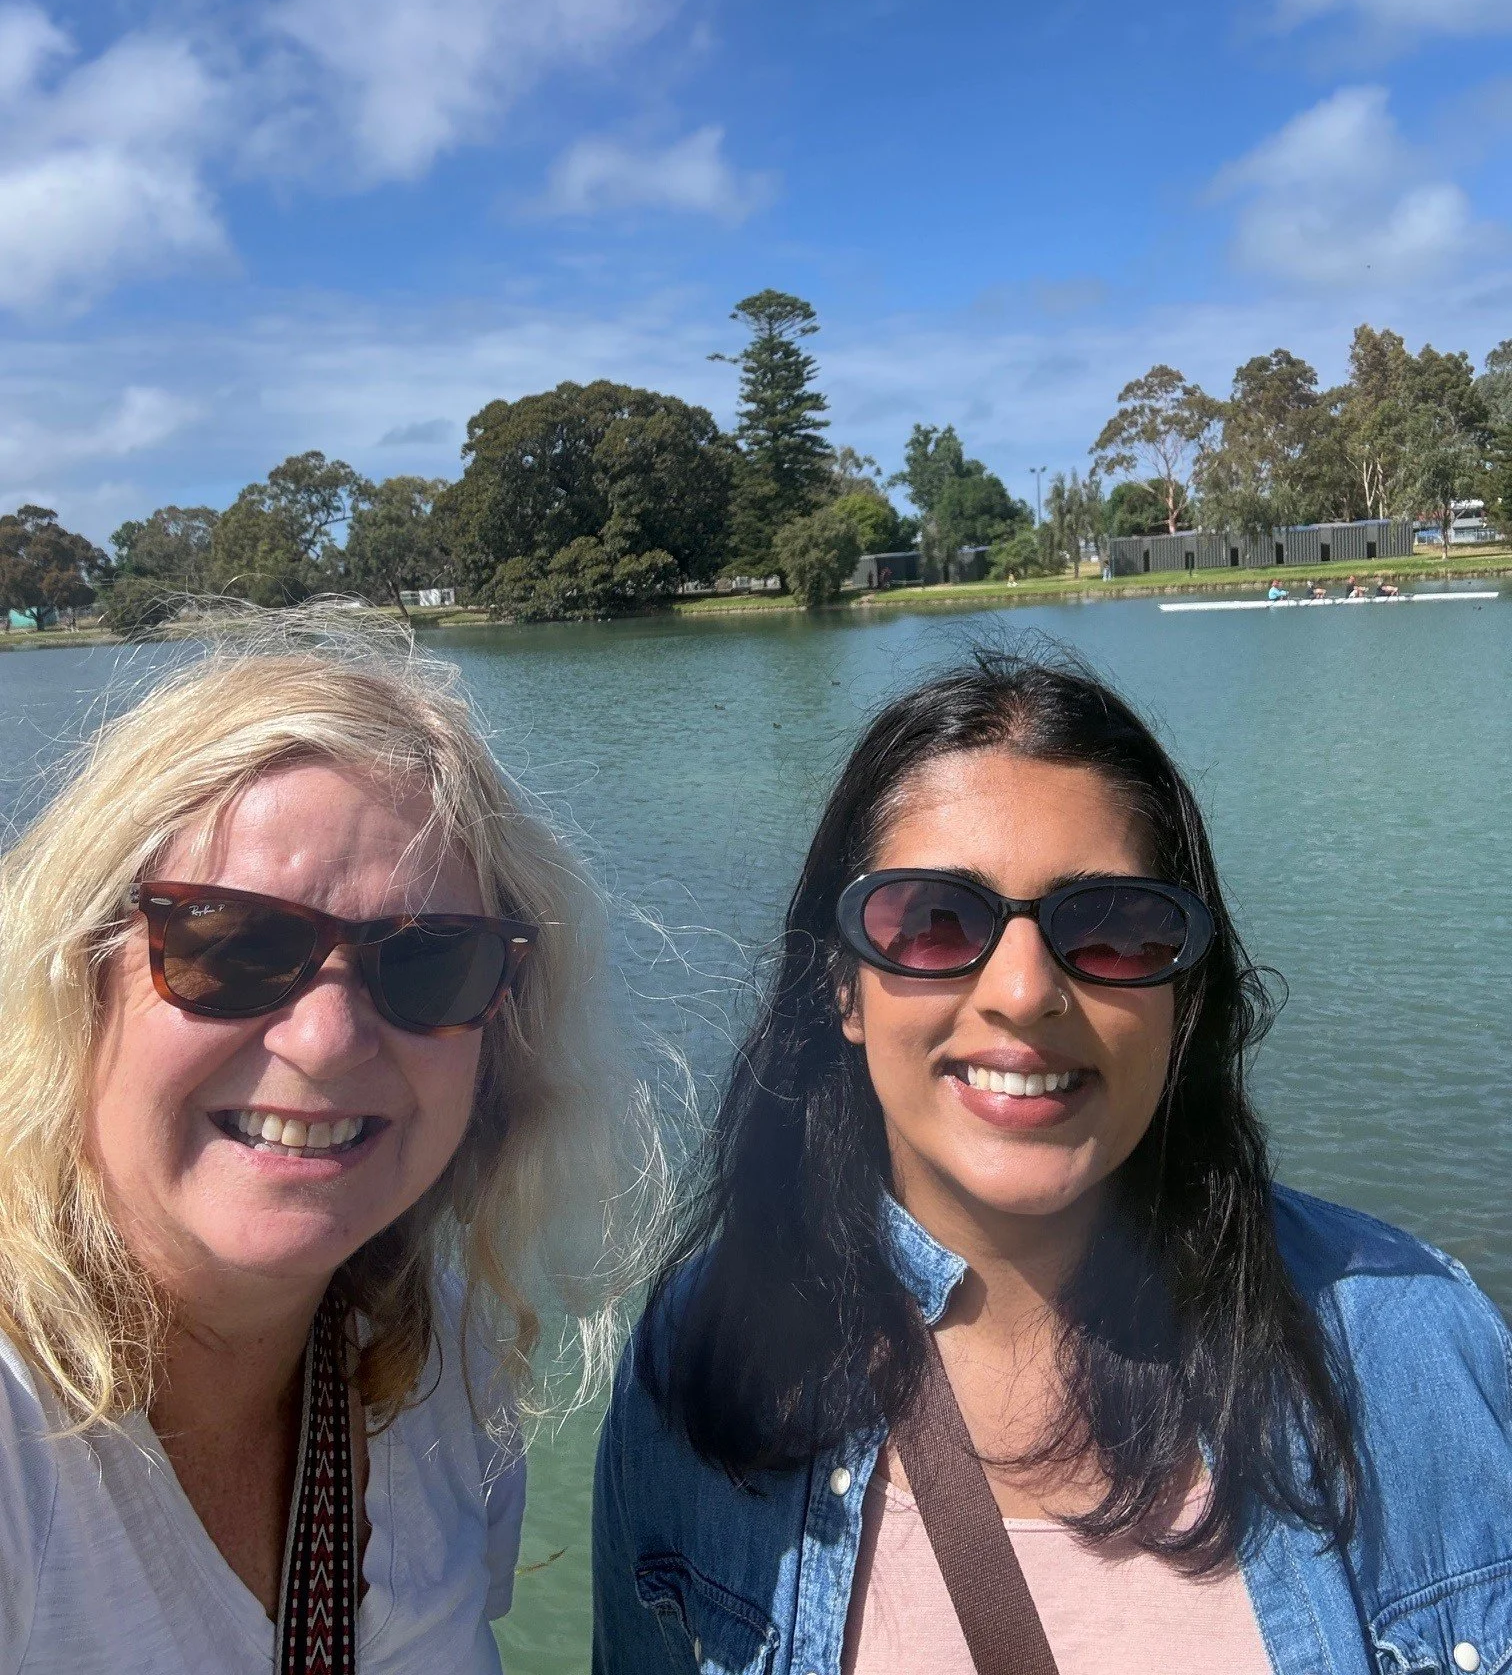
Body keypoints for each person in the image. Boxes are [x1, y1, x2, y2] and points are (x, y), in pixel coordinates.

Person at [594, 651, 1512, 1675]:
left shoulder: (1415, 1355)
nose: (1024, 991)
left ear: (1187, 997)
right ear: (843, 991)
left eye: (1113, 929)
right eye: (935, 921)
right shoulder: (704, 1361)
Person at [0, 621, 632, 1673]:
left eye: (430, 963)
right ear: (78, 969)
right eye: (233, 945)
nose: (329, 1039)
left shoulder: (445, 1366)